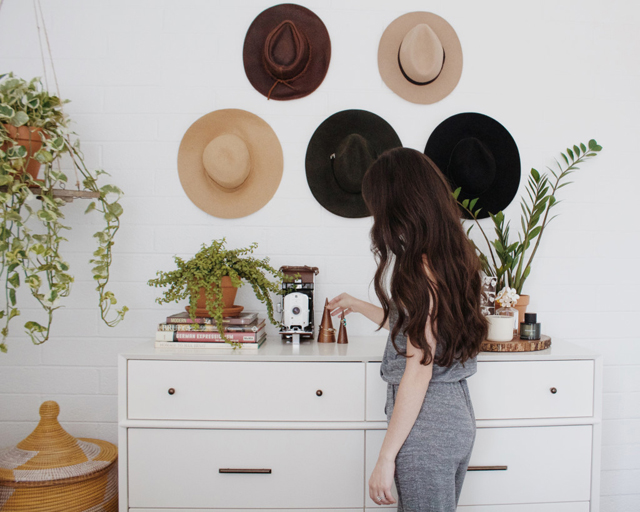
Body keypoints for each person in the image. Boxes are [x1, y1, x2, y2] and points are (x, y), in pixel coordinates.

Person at [328, 147, 488, 512]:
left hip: (427, 428)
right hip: (454, 417)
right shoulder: (449, 259)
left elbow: (419, 368)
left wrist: (386, 458)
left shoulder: (420, 269)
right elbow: (420, 332)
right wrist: (359, 305)